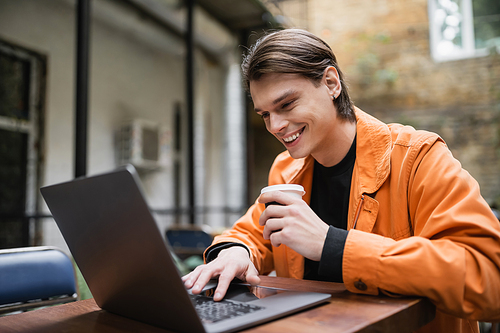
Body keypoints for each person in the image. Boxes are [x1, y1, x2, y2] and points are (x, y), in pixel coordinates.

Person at [182, 29, 500, 332]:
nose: (276, 125)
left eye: (286, 104)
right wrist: (235, 252)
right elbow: (251, 232)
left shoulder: (416, 158)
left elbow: (488, 280)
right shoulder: (286, 170)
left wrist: (332, 245)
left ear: (331, 83)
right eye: (264, 114)